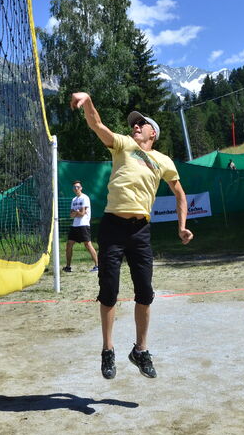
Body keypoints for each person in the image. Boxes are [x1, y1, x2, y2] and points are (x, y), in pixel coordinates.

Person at [70, 92, 193, 380]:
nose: (135, 126)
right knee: (109, 291)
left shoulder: (163, 160)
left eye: (141, 124)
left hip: (140, 231)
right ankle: (108, 350)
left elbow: (180, 195)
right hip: (113, 226)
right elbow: (97, 125)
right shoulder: (123, 145)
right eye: (133, 124)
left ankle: (140, 350)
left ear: (153, 133)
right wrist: (88, 100)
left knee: (145, 293)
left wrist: (181, 226)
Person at [64, 180, 97, 273]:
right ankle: (68, 267)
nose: (76, 189)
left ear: (81, 188)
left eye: (78, 187)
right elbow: (71, 214)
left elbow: (82, 214)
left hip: (83, 224)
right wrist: (78, 212)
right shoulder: (74, 200)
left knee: (88, 244)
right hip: (75, 225)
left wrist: (77, 212)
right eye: (74, 187)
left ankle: (97, 266)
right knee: (69, 244)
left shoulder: (85, 198)